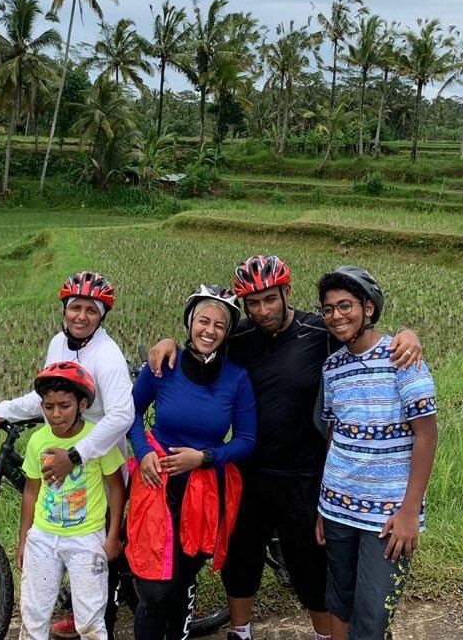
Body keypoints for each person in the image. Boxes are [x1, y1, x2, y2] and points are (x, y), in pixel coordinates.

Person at [148, 256, 423, 640]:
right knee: (240, 559)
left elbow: (359, 334)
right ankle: (239, 631)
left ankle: (324, 635)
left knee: (311, 564)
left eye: (270, 299)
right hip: (249, 468)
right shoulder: (237, 339)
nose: (262, 310)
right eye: (253, 303)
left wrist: (407, 334)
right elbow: (201, 341)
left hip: (305, 471)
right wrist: (167, 344)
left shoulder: (319, 331)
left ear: (286, 293)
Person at [0, 270, 134, 638]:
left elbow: (122, 415)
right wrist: (0, 409)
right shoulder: (58, 343)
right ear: (65, 310)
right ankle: (75, 607)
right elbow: (46, 396)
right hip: (63, 442)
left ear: (102, 316)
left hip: (100, 451)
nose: (81, 316)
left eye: (91, 310)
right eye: (75, 308)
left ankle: (102, 622)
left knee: (97, 549)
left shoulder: (108, 354)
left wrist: (77, 454)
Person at [314, 266, 437, 640]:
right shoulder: (333, 367)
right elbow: (334, 436)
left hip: (387, 515)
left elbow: (427, 436)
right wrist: (324, 506)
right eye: (328, 309)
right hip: (336, 507)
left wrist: (410, 512)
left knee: (372, 618)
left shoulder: (403, 358)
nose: (336, 316)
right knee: (339, 600)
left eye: (345, 305)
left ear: (368, 308)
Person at [129, 285, 256, 640]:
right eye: (203, 320)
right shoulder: (163, 366)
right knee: (155, 592)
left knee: (183, 579)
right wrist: (143, 453)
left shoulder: (236, 378)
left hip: (203, 491)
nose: (210, 330)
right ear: (190, 323)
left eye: (220, 324)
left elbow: (247, 440)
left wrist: (205, 457)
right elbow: (132, 413)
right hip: (159, 482)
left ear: (227, 332)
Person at [18, 361, 127, 640]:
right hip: (43, 537)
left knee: (90, 620)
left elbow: (116, 488)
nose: (55, 414)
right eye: (48, 406)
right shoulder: (37, 441)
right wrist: (24, 540)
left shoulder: (97, 439)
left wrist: (113, 536)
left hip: (86, 539)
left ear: (81, 405)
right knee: (33, 616)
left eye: (64, 406)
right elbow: (31, 491)